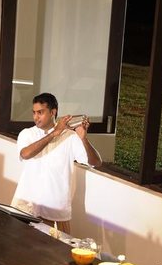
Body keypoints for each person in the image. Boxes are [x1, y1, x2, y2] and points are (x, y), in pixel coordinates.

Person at [11, 93, 102, 234]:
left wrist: (83, 139)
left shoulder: (70, 137)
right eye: (34, 112)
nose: (36, 117)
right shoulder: (27, 134)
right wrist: (55, 133)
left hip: (55, 210)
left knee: (58, 247)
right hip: (26, 205)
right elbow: (25, 154)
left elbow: (96, 162)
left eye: (40, 112)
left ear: (53, 112)